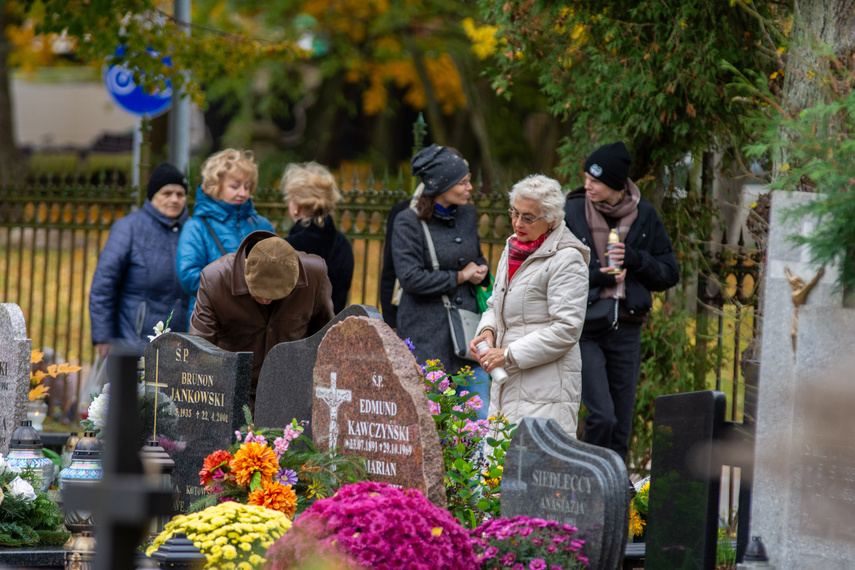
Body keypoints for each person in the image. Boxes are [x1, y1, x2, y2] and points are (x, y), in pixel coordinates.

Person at [564, 141, 679, 461]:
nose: (587, 185)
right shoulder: (572, 210)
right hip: (586, 326)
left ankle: (615, 489)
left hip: (627, 328)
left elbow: (669, 274)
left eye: (595, 181)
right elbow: (554, 271)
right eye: (586, 177)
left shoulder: (644, 215)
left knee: (621, 425)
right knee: (602, 415)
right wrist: (600, 276)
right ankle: (591, 477)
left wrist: (636, 259)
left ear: (616, 184)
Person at [470, 175, 590, 436]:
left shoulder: (567, 258)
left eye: (527, 217)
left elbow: (566, 330)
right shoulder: (513, 247)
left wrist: (507, 354)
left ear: (551, 219)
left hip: (546, 388)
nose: (517, 223)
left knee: (534, 470)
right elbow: (494, 303)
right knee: (499, 468)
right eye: (515, 213)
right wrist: (487, 332)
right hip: (508, 378)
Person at [392, 144, 491, 415]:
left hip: (468, 337)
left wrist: (480, 269)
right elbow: (411, 279)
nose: (470, 188)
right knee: (432, 424)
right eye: (463, 182)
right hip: (428, 340)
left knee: (479, 420)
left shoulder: (468, 214)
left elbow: (476, 256)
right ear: (442, 185)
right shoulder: (408, 222)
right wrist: (460, 276)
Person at [189, 230, 334, 410]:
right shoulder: (215, 279)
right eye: (258, 293)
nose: (266, 301)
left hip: (291, 391)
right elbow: (199, 347)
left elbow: (325, 336)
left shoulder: (314, 274)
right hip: (231, 391)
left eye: (276, 296)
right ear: (246, 265)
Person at [89, 162, 190, 353]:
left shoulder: (193, 230)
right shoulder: (128, 228)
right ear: (153, 196)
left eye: (180, 194)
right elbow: (104, 285)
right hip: (133, 344)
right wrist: (103, 337)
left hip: (183, 347)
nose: (175, 199)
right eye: (167, 193)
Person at [177, 149, 275, 321]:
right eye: (235, 186)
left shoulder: (262, 225)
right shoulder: (196, 227)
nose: (243, 193)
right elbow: (189, 277)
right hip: (213, 320)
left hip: (258, 321)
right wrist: (240, 283)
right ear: (215, 186)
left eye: (246, 186)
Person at [281, 161, 354, 315]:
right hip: (331, 332)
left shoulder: (288, 247)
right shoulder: (343, 244)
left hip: (294, 337)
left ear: (296, 207)